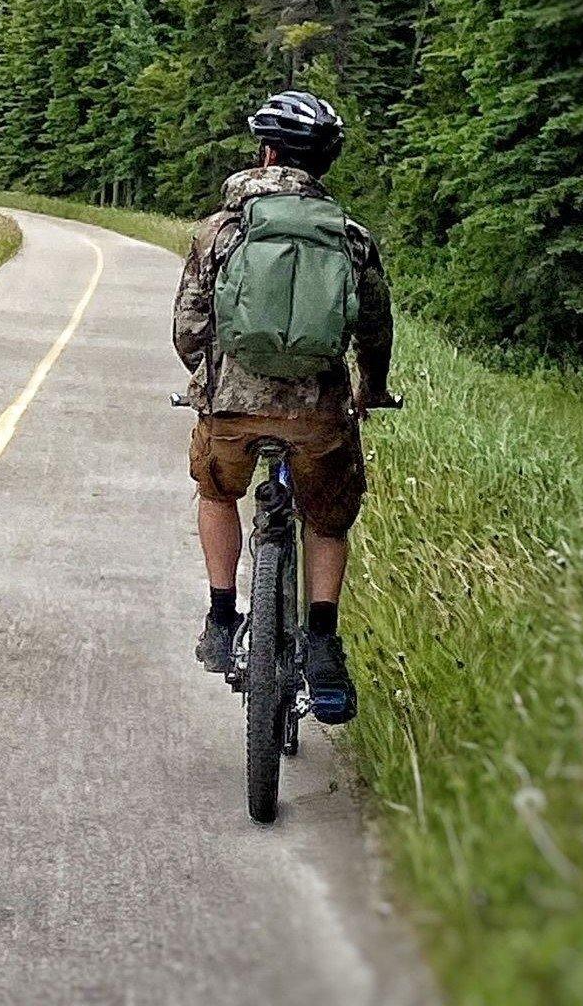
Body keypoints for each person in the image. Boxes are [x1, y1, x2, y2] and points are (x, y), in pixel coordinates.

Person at [173, 89, 394, 724]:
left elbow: (189, 328)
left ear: (266, 153)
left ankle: (221, 619)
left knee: (217, 492)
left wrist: (212, 380)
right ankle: (323, 642)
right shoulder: (351, 238)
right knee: (327, 519)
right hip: (318, 415)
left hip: (231, 411)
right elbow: (374, 329)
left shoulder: (220, 230)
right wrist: (368, 389)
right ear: (323, 164)